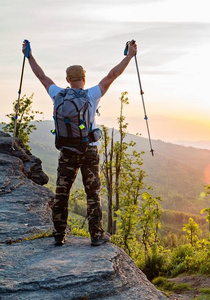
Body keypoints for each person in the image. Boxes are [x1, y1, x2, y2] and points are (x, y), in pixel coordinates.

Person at [22, 40, 138, 246]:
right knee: (92, 193)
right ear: (84, 79)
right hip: (89, 151)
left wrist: (29, 55)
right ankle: (96, 236)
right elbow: (113, 75)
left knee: (62, 193)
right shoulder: (91, 94)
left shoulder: (58, 94)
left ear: (67, 79)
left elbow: (41, 76)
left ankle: (59, 235)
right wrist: (129, 56)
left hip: (67, 151)